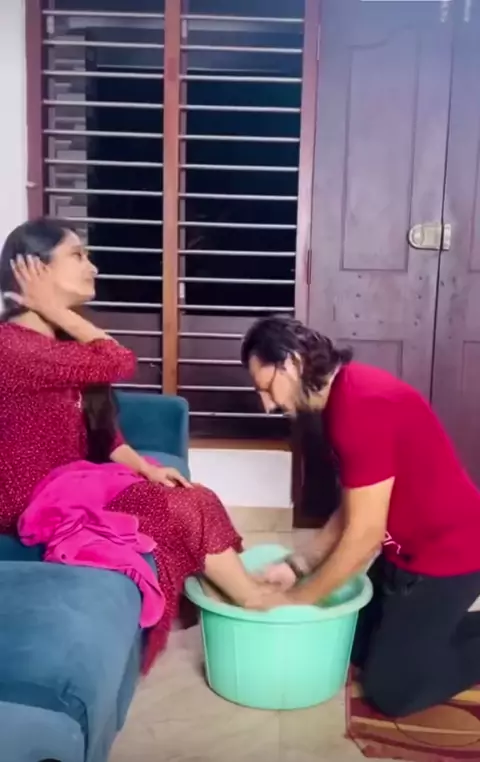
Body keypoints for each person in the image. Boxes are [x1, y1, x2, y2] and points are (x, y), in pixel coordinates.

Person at [0, 218, 270, 673]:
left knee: (191, 495)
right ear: (34, 269)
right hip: (31, 504)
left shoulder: (58, 343)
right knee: (184, 509)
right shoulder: (11, 347)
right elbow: (119, 360)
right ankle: (256, 603)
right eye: (77, 255)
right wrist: (53, 308)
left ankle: (237, 593)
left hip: (73, 485)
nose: (93, 267)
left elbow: (101, 430)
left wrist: (145, 467)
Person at [241, 314, 480, 718]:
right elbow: (353, 508)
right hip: (403, 554)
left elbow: (365, 535)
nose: (267, 405)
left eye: (266, 387)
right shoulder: (341, 398)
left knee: (392, 691)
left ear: (292, 362)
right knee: (354, 641)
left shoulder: (362, 406)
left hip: (450, 556)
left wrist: (297, 603)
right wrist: (298, 567)